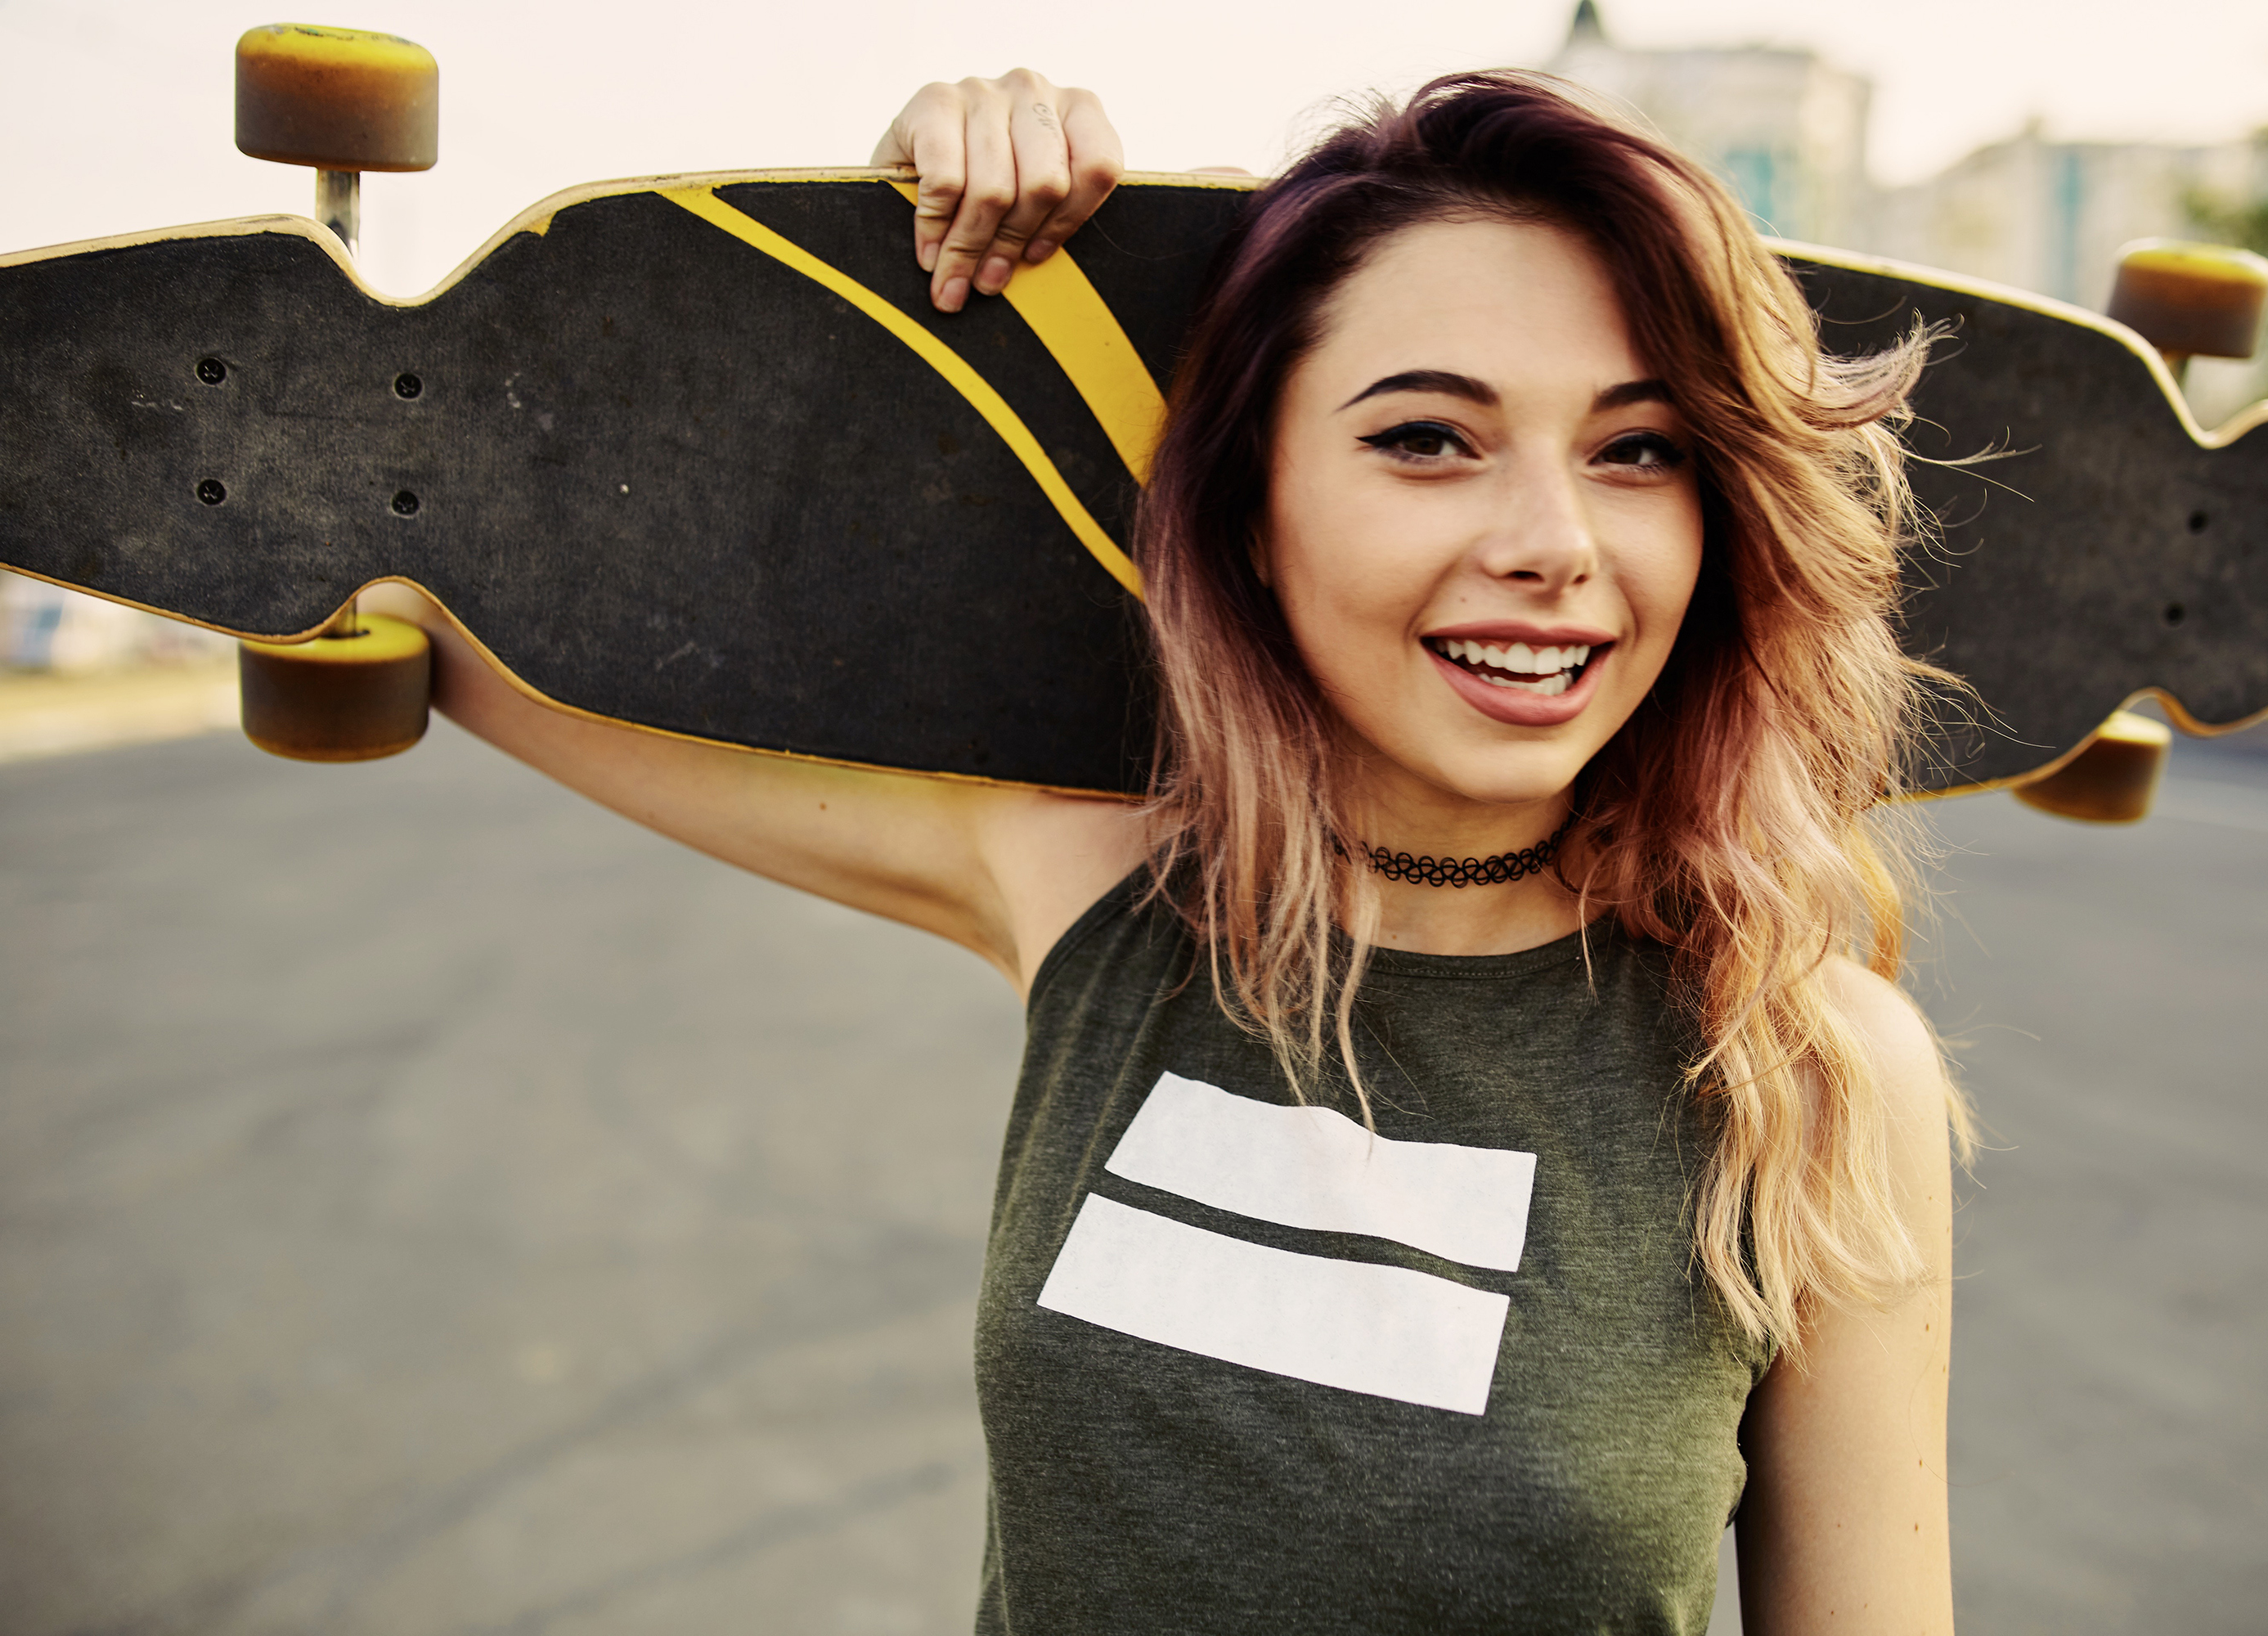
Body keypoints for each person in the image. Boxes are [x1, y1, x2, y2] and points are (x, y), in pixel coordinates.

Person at [370, 65, 1966, 1636]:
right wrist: (905, 238)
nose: (1553, 542)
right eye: (1427, 439)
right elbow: (434, 627)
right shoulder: (1103, 898)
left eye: (1639, 450)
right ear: (1255, 508)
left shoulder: (1810, 1070)